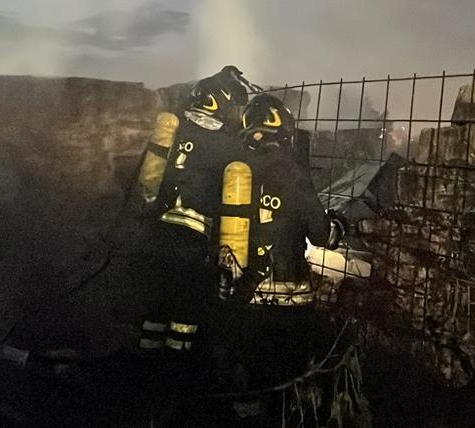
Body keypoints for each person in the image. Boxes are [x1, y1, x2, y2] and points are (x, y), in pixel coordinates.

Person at [219, 94, 347, 396]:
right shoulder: (291, 171)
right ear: (283, 129)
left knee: (250, 373)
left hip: (244, 291)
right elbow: (319, 233)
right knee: (284, 375)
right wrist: (338, 226)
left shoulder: (235, 169)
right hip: (288, 299)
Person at [134, 66, 258, 356]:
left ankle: (144, 363)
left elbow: (150, 180)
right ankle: (178, 365)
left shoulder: (177, 129)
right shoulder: (229, 145)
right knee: (186, 305)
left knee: (156, 301)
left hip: (159, 227)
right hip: (194, 237)